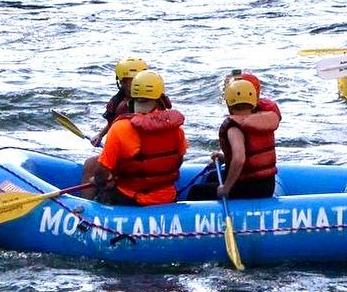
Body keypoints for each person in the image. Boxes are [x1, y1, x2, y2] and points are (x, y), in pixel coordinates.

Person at [91, 70, 187, 206]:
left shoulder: (120, 128)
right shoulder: (176, 129)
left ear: (130, 100)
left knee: (101, 190)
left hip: (131, 199)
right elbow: (178, 161)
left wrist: (103, 181)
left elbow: (101, 174)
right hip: (168, 197)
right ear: (162, 100)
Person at [189, 77, 280, 201]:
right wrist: (225, 158)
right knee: (212, 177)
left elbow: (239, 159)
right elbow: (250, 155)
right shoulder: (261, 121)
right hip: (267, 185)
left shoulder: (235, 127)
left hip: (250, 187)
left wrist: (226, 188)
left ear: (229, 104)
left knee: (196, 191)